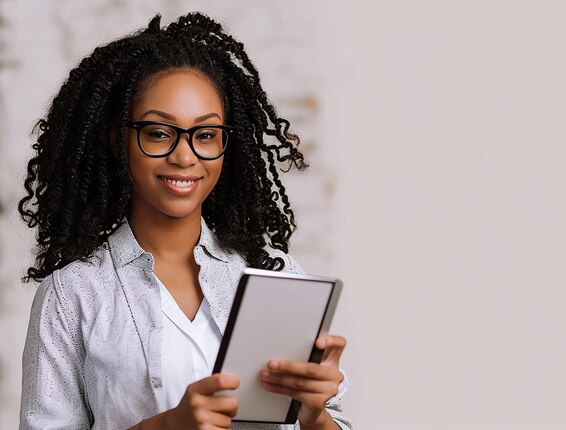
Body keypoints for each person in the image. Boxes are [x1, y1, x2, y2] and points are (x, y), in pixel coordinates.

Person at [18, 12, 351, 430]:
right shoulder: (73, 295)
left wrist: (315, 412)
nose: (185, 156)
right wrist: (165, 426)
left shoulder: (274, 274)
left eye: (206, 135)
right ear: (118, 139)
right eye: (159, 133)